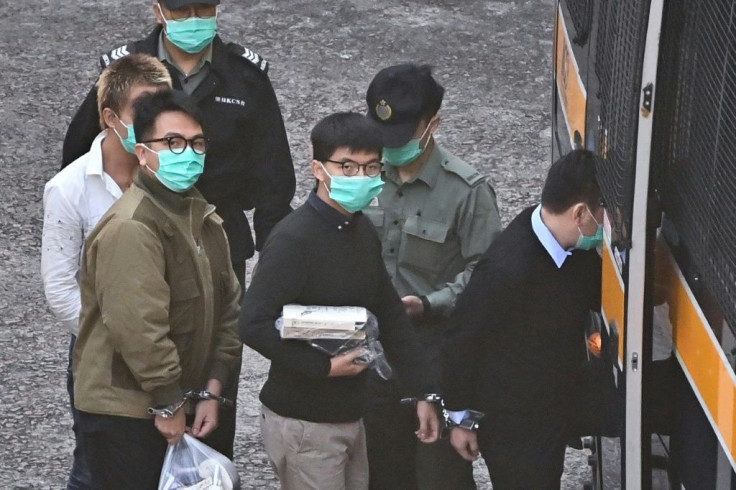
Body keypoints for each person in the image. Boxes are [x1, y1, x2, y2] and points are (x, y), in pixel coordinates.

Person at [61, 0, 295, 458]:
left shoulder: (246, 78)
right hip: (141, 241)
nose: (193, 17)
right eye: (180, 7)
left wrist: (278, 272)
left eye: (203, 6)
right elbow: (81, 156)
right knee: (130, 374)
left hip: (217, 240)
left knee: (214, 391)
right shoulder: (126, 71)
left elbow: (273, 183)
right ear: (157, 9)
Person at [239, 112, 441, 490]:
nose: (360, 177)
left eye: (370, 167)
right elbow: (252, 323)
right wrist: (323, 367)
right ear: (318, 168)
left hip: (350, 416)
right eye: (346, 166)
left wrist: (424, 391)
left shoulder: (360, 230)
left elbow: (391, 315)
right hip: (305, 423)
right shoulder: (293, 241)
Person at [72, 89, 242, 489]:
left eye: (197, 143)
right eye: (173, 142)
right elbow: (140, 329)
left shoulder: (202, 217)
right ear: (142, 151)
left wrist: (213, 389)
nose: (189, 153)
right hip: (128, 413)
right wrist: (169, 401)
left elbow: (228, 308)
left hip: (181, 403)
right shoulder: (133, 226)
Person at [361, 63, 502, 490]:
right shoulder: (360, 177)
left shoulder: (467, 192)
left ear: (433, 124)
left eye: (401, 137)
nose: (390, 148)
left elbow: (486, 278)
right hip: (369, 353)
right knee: (379, 471)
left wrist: (429, 303)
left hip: (434, 352)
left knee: (439, 475)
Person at [41, 53, 172, 490]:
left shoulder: (173, 176)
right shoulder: (69, 189)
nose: (157, 121)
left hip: (165, 347)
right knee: (96, 469)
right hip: (100, 358)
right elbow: (59, 287)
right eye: (144, 109)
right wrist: (114, 336)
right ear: (110, 117)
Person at [441, 149, 603, 489]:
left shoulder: (570, 245)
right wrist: (460, 419)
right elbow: (462, 338)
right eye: (604, 214)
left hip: (552, 401)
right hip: (515, 425)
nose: (608, 225)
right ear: (579, 213)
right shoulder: (507, 270)